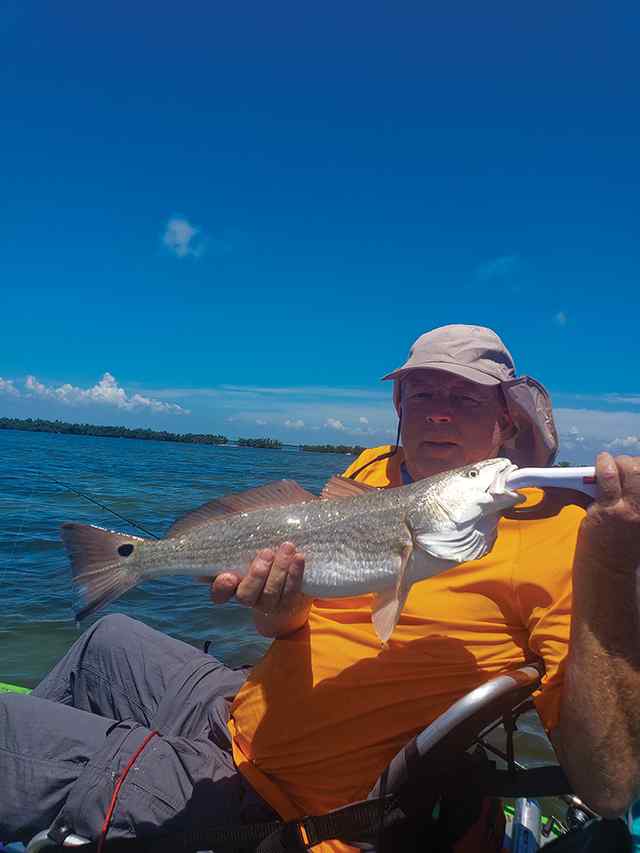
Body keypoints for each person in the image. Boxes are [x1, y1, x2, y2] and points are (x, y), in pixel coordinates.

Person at [1, 324, 639, 853]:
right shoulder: (372, 472)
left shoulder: (567, 546)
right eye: (421, 395)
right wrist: (280, 608)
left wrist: (613, 571)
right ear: (398, 408)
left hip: (281, 802)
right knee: (105, 639)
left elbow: (608, 791)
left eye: (467, 399)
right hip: (243, 710)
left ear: (505, 423)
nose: (439, 413)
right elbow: (300, 621)